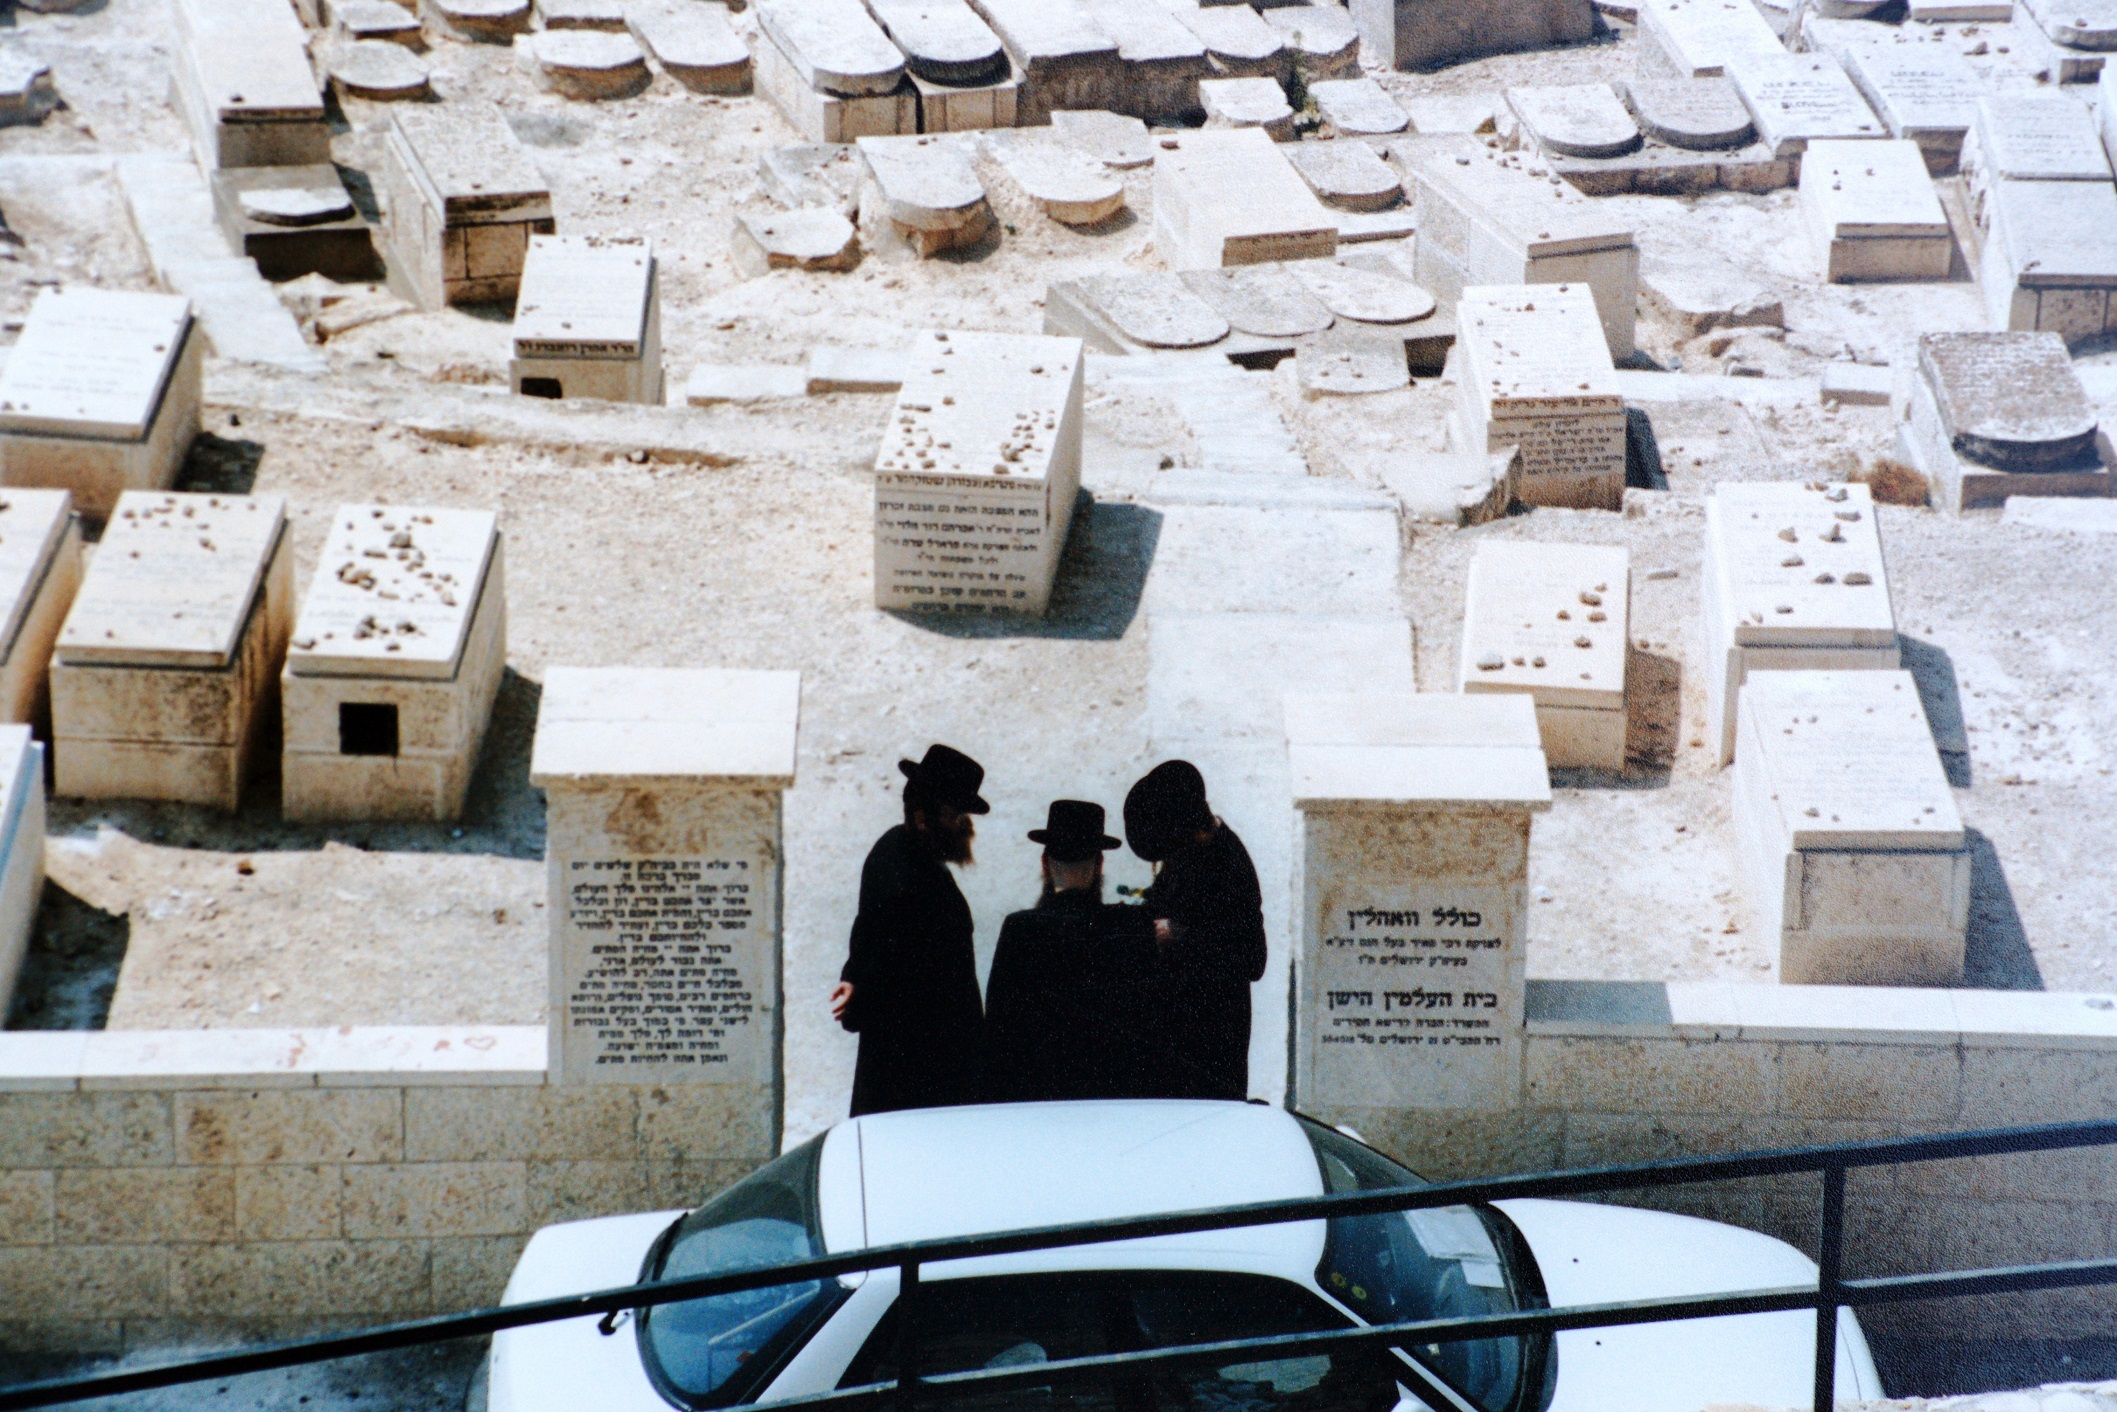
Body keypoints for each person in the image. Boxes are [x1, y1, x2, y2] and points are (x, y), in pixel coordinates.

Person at [831, 744, 988, 1117]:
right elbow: (895, 968)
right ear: (922, 818)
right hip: (918, 1083)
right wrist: (861, 989)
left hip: (915, 1078)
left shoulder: (897, 849)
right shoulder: (909, 881)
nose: (966, 825)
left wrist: (854, 978)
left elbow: (867, 932)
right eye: (956, 814)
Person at [983, 800, 1157, 1104]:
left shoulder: (1020, 929)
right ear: (1100, 865)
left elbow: (998, 1033)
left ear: (1044, 864)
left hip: (1035, 1103)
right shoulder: (1132, 926)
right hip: (1114, 1105)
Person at [1123, 760, 1267, 1101]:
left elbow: (1252, 958)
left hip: (1212, 1048)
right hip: (1177, 1042)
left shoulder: (1231, 864)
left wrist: (1178, 934)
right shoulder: (1188, 856)